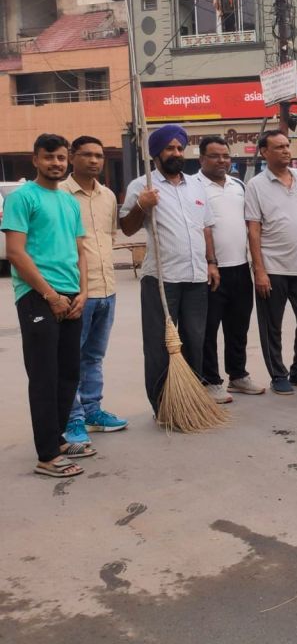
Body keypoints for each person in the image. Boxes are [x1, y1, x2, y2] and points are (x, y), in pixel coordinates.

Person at [3, 134, 91, 477]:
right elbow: (15, 253)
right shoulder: (22, 198)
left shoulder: (69, 202)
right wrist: (50, 296)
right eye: (48, 157)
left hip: (71, 295)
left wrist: (83, 292)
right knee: (44, 376)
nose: (56, 163)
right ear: (35, 160)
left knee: (68, 373)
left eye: (60, 157)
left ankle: (58, 439)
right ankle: (47, 456)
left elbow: (80, 251)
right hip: (37, 295)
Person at [121, 124, 218, 415]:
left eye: (179, 148)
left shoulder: (196, 186)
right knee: (159, 346)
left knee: (195, 341)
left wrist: (211, 262)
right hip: (161, 279)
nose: (176, 153)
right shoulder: (142, 186)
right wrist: (142, 205)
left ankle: (190, 401)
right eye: (169, 148)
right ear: (156, 153)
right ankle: (163, 405)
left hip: (196, 277)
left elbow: (205, 227)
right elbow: (127, 228)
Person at [59, 135, 128, 444]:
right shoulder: (59, 194)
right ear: (72, 156)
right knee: (70, 358)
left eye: (99, 156)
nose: (94, 160)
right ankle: (72, 419)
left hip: (106, 289)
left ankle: (92, 411)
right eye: (86, 154)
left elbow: (110, 236)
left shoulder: (108, 196)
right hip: (75, 291)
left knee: (94, 357)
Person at [244, 131, 297, 396]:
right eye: (279, 147)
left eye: (287, 146)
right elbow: (253, 230)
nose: (286, 150)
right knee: (271, 325)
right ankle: (278, 374)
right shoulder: (256, 185)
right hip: (272, 268)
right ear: (264, 152)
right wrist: (259, 270)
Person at [196, 136, 262, 400]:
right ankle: (210, 380)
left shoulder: (238, 186)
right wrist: (210, 262)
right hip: (210, 271)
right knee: (209, 329)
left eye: (225, 155)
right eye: (215, 156)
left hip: (240, 268)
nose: (222, 160)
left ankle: (238, 375)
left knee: (238, 327)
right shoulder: (194, 186)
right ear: (201, 158)